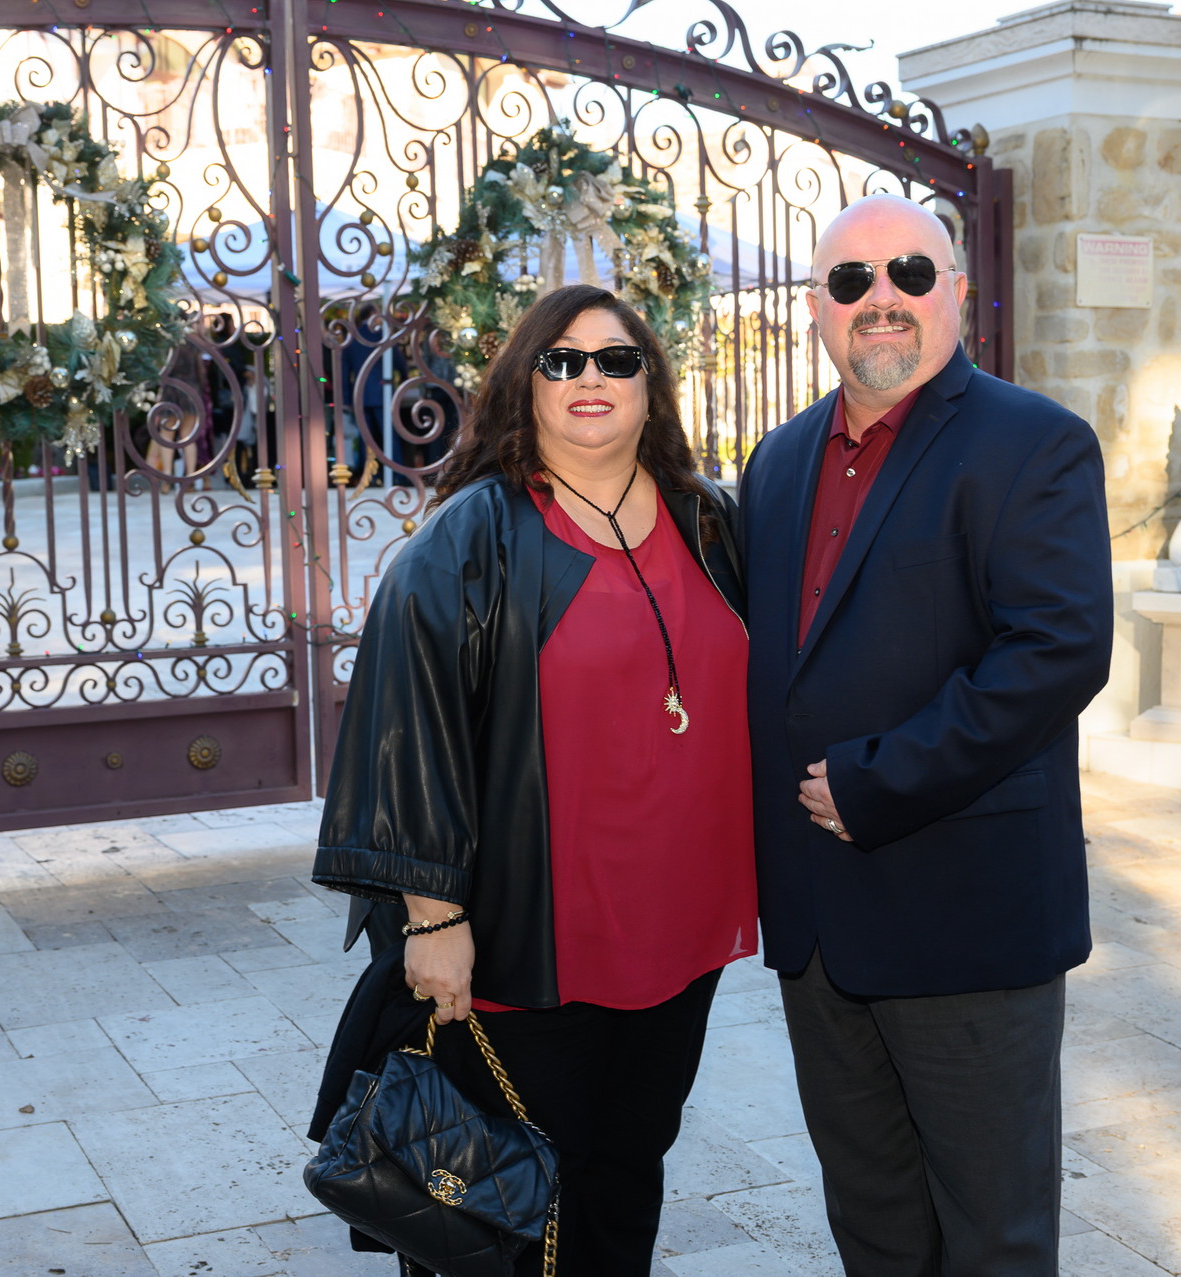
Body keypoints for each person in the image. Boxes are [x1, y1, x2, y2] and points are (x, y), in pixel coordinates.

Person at [313, 282, 755, 1276]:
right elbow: (405, 724)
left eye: (617, 359)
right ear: (526, 383)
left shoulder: (711, 521)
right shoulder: (475, 536)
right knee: (506, 1198)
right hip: (533, 940)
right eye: (563, 359)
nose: (591, 377)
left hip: (682, 930)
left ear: (652, 383)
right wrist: (432, 916)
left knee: (627, 1167)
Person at [737, 193, 1112, 1275]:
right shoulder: (777, 461)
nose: (882, 299)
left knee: (993, 1239)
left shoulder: (1033, 443)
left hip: (966, 920)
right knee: (875, 1228)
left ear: (957, 291)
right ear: (816, 306)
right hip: (819, 931)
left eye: (910, 272)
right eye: (851, 280)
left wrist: (882, 779)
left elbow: (1058, 650)